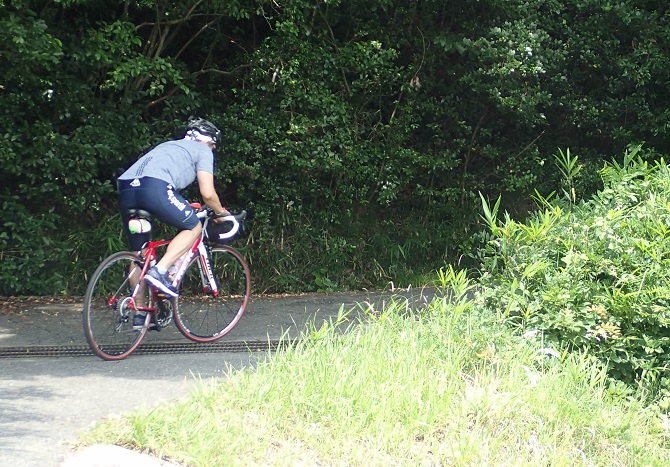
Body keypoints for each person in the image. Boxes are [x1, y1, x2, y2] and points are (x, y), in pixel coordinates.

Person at [117, 117, 230, 324]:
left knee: (139, 254)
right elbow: (207, 193)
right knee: (193, 226)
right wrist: (221, 213)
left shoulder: (169, 145)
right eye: (213, 146)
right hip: (154, 187)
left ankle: (140, 313)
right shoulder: (202, 151)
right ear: (207, 141)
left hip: (126, 188)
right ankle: (160, 272)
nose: (213, 150)